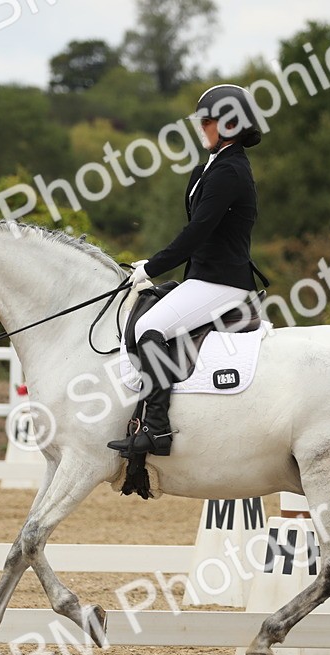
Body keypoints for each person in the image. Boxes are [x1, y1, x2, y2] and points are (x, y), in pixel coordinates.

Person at [108, 84, 266, 457]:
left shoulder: (231, 171)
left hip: (222, 280)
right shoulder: (206, 169)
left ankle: (157, 430)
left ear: (229, 124)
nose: (201, 127)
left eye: (207, 121)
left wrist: (153, 266)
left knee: (149, 328)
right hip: (204, 275)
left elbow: (198, 231)